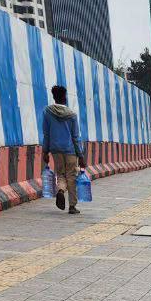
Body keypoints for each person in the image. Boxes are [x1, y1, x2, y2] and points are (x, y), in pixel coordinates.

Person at [41, 85, 86, 215]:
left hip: (55, 149)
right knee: (71, 176)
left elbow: (46, 134)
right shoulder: (72, 115)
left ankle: (61, 190)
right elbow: (76, 137)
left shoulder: (47, 112)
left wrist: (45, 151)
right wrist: (81, 156)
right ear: (64, 97)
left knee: (60, 174)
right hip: (70, 150)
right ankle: (72, 206)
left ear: (54, 97)